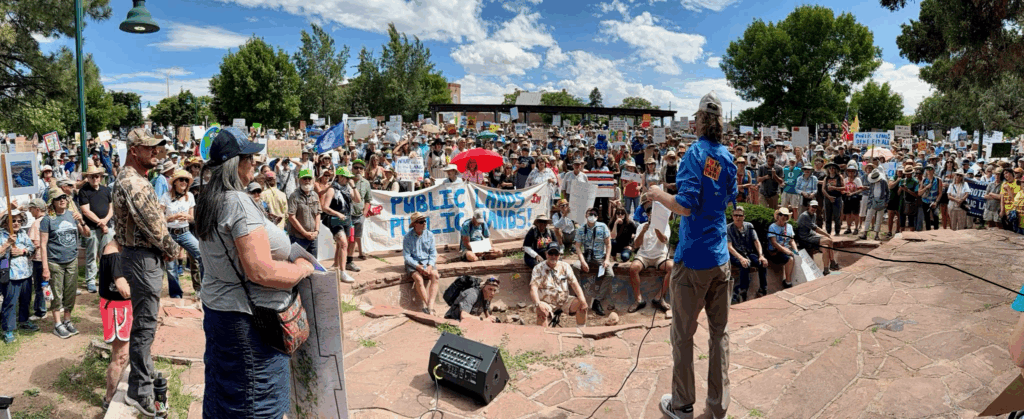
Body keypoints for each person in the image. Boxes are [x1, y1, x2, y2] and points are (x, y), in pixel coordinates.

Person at [193, 127, 316, 418]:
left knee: (224, 396)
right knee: (256, 404)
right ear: (236, 164)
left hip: (222, 313)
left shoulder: (209, 199)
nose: (255, 164)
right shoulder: (237, 202)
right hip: (251, 323)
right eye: (250, 158)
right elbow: (260, 271)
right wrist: (300, 269)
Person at [648, 91, 737, 419]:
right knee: (719, 334)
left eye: (696, 117)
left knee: (683, 336)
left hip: (693, 260)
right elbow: (728, 197)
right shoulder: (727, 157)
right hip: (721, 260)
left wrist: (659, 194)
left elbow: (685, 206)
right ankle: (718, 407)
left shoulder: (694, 154)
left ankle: (683, 405)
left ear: (700, 121)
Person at [112, 128, 181, 416]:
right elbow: (152, 223)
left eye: (157, 147)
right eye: (150, 147)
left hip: (143, 256)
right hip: (141, 258)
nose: (156, 152)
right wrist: (173, 248)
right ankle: (139, 390)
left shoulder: (137, 179)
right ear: (134, 150)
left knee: (146, 320)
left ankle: (145, 372)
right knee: (145, 324)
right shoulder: (133, 182)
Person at [41, 189, 91, 340]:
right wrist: (45, 268)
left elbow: (87, 234)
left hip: (71, 260)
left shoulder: (72, 215)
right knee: (57, 294)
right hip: (55, 262)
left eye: (64, 197)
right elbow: (43, 245)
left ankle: (67, 321)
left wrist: (82, 221)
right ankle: (57, 324)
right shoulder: (47, 219)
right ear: (52, 202)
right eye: (58, 198)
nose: (62, 200)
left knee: (70, 293)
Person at [159, 169, 203, 299]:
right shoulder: (166, 196)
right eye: (181, 180)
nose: (184, 182)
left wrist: (187, 217)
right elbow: (159, 218)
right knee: (171, 266)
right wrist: (172, 217)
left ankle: (202, 289)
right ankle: (176, 294)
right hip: (170, 233)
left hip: (185, 232)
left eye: (186, 180)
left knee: (202, 255)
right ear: (175, 182)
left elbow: (192, 218)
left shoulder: (190, 196)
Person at [99, 240, 131, 410]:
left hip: (124, 306)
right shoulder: (114, 254)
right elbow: (123, 289)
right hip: (117, 308)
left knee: (127, 352)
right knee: (120, 355)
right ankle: (109, 398)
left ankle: (119, 388)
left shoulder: (121, 248)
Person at [530, 243, 588, 326]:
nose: (553, 256)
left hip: (564, 300)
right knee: (541, 312)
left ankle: (581, 331)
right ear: (546, 254)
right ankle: (543, 333)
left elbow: (575, 284)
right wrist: (538, 303)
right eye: (551, 253)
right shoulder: (538, 268)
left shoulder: (565, 266)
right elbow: (533, 288)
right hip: (546, 302)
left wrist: (583, 300)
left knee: (582, 305)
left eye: (556, 254)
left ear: (559, 255)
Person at [1, 210, 37, 343]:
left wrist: (23, 251)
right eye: (13, 221)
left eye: (19, 221)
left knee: (26, 300)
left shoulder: (22, 233)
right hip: (10, 274)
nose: (16, 223)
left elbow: (32, 248)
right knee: (10, 302)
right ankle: (8, 329)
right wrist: (7, 244)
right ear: (6, 222)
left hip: (26, 273)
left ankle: (24, 321)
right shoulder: (1, 235)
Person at [78, 164, 114, 293]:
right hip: (92, 228)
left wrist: (105, 222)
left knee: (107, 255)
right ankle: (91, 281)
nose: (94, 179)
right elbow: (85, 211)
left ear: (101, 177)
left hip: (107, 227)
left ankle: (107, 279)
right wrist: (101, 223)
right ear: (87, 178)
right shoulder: (83, 191)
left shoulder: (106, 190)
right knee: (92, 255)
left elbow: (111, 208)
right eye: (92, 176)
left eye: (97, 176)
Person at [626, 218, 673, 315]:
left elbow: (664, 240)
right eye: (649, 213)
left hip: (660, 256)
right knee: (633, 268)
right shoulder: (641, 226)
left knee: (672, 268)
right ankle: (638, 300)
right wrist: (643, 231)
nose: (651, 216)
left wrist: (657, 229)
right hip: (644, 256)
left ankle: (659, 297)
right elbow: (636, 245)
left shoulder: (665, 225)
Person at [574, 207, 614, 315]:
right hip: (586, 257)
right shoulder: (581, 229)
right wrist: (582, 261)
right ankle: (579, 295)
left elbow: (608, 244)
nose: (591, 216)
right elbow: (577, 246)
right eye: (589, 214)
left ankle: (597, 300)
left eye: (593, 214)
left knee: (610, 274)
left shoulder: (603, 226)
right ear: (586, 216)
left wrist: (607, 260)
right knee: (575, 267)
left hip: (600, 257)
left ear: (597, 216)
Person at [726, 205, 768, 303]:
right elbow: (729, 247)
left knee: (762, 263)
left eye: (740, 215)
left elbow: (756, 241)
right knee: (745, 264)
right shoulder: (728, 228)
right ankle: (743, 291)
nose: (738, 217)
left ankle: (763, 288)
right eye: (735, 215)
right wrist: (741, 258)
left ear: (744, 217)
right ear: (732, 216)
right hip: (735, 255)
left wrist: (761, 255)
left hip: (748, 253)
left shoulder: (749, 226)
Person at [321, 167, 355, 283]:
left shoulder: (348, 189)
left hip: (346, 219)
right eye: (346, 177)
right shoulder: (332, 189)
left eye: (349, 178)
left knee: (341, 244)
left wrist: (354, 186)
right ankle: (343, 272)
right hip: (335, 219)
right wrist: (337, 214)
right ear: (340, 177)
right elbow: (325, 207)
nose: (348, 180)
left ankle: (336, 265)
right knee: (344, 243)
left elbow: (358, 200)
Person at [404, 212, 439, 314]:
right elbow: (407, 256)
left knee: (435, 276)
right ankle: (428, 306)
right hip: (413, 263)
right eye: (421, 222)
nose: (424, 223)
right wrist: (417, 266)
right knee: (418, 279)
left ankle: (430, 305)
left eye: (424, 221)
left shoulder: (430, 235)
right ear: (415, 224)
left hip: (427, 262)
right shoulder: (407, 237)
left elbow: (433, 253)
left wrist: (430, 266)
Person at [796, 201, 840, 275]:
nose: (814, 208)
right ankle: (833, 262)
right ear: (809, 206)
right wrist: (827, 235)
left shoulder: (814, 215)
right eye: (813, 206)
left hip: (810, 237)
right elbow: (816, 229)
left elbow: (813, 230)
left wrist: (823, 236)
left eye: (815, 207)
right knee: (829, 241)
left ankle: (826, 270)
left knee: (825, 247)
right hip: (804, 239)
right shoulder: (804, 216)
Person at [287, 168, 322, 256]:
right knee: (297, 262)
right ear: (299, 180)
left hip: (313, 237)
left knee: (313, 262)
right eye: (304, 178)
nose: (307, 181)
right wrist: (305, 233)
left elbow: (318, 214)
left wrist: (316, 231)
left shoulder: (315, 195)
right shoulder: (294, 196)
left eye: (309, 178)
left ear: (312, 180)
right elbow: (291, 217)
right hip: (298, 238)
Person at [26, 199, 48, 321]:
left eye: (31, 209)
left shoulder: (36, 223)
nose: (30, 212)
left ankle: (40, 311)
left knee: (40, 286)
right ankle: (56, 305)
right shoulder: (50, 219)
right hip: (50, 257)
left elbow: (35, 243)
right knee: (47, 284)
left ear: (37, 209)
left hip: (39, 258)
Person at [767, 207, 798, 288]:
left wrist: (796, 250)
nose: (783, 216)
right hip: (775, 251)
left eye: (785, 215)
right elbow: (774, 243)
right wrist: (786, 251)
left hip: (786, 249)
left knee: (798, 257)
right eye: (781, 214)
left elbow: (792, 241)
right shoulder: (772, 227)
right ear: (777, 216)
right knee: (790, 259)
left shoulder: (789, 227)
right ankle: (788, 282)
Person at [350, 159, 371, 265]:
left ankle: (350, 259)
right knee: (347, 238)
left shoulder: (366, 183)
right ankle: (344, 259)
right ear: (352, 169)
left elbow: (368, 200)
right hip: (347, 215)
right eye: (356, 168)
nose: (358, 170)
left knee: (357, 236)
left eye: (361, 168)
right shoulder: (347, 180)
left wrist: (364, 213)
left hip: (359, 215)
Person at [860, 168, 890, 241]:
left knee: (879, 219)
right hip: (872, 201)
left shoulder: (883, 182)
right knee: (868, 217)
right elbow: (871, 190)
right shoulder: (872, 182)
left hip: (881, 201)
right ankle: (865, 233)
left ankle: (876, 235)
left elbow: (888, 192)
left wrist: (886, 201)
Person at [822, 161, 844, 235]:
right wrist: (829, 197)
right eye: (830, 168)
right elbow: (823, 189)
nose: (831, 169)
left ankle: (837, 231)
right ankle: (828, 231)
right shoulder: (826, 178)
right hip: (828, 198)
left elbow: (844, 187)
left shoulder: (839, 177)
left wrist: (835, 188)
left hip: (837, 197)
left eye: (833, 168)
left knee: (837, 215)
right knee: (827, 215)